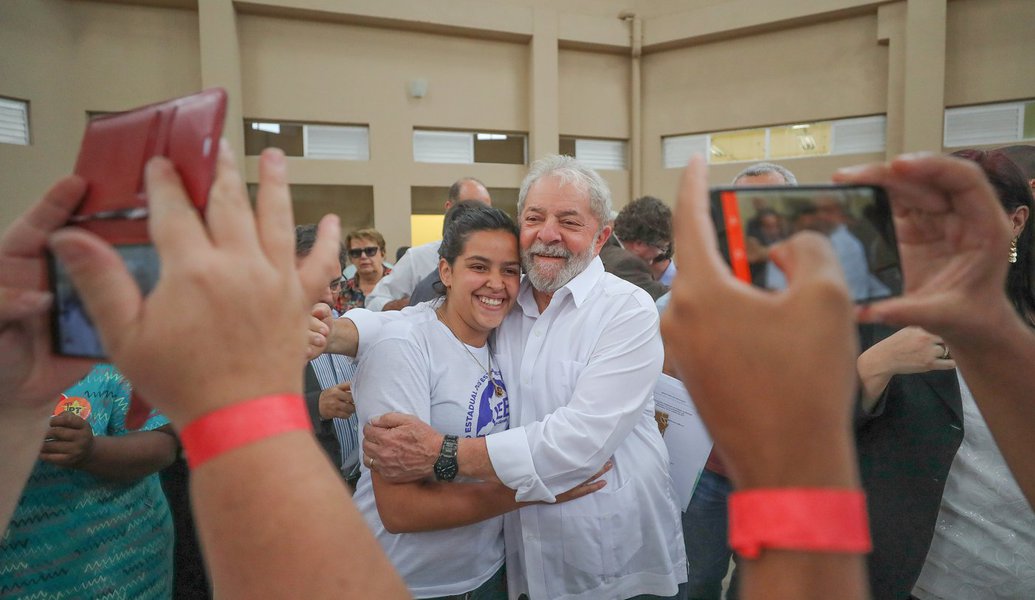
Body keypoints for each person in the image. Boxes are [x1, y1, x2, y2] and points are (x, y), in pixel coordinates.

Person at [323, 155, 687, 600]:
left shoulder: (625, 310)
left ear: (601, 235)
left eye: (568, 221)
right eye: (535, 218)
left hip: (609, 560)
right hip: (515, 564)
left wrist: (445, 453)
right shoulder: (511, 302)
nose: (548, 233)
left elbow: (581, 440)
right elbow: (415, 323)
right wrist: (340, 331)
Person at [352, 201, 606, 598]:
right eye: (478, 266)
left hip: (489, 572)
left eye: (509, 271)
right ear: (446, 271)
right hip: (407, 582)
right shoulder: (403, 347)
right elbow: (400, 509)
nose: (496, 283)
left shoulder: (504, 341)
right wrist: (536, 489)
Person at [0, 364, 177, 597]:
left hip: (119, 566)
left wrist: (93, 452)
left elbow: (163, 446)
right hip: (17, 571)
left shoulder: (112, 363)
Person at [365, 177, 491, 311]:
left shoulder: (498, 262)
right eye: (471, 208)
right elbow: (374, 302)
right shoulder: (417, 258)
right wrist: (413, 305)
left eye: (487, 211)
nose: (480, 218)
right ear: (450, 208)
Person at [297, 224, 362, 485]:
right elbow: (247, 419)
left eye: (335, 284)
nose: (327, 295)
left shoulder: (353, 328)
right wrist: (317, 406)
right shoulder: (260, 340)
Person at [599, 195, 672, 299]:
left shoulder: (603, 246)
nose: (661, 254)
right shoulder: (626, 264)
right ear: (639, 244)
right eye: (662, 248)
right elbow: (664, 297)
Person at [337, 228, 391, 313]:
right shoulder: (340, 291)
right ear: (351, 258)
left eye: (370, 251)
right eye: (356, 252)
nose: (363, 256)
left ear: (382, 253)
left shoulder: (400, 285)